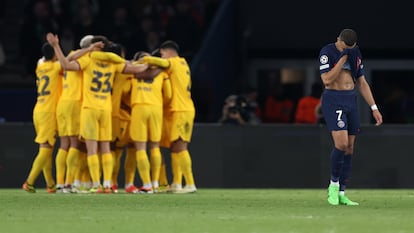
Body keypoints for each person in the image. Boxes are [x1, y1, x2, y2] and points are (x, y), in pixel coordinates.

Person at [46, 32, 148, 193]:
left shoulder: (89, 59)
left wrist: (55, 46)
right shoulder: (113, 62)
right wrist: (149, 62)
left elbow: (65, 65)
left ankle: (95, 184)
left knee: (92, 149)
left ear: (94, 47)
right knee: (106, 148)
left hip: (90, 108)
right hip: (106, 109)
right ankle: (107, 184)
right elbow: (138, 69)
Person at [318, 28, 383, 205]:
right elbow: (326, 80)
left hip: (350, 99)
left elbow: (361, 82)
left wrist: (374, 107)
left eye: (351, 48)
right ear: (338, 40)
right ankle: (332, 185)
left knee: (350, 148)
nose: (348, 50)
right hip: (333, 99)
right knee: (341, 143)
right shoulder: (327, 52)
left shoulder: (355, 52)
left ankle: (341, 192)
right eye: (345, 47)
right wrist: (342, 59)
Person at [141, 40, 196, 193]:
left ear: (168, 52)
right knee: (175, 148)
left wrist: (143, 59)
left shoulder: (175, 62)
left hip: (181, 110)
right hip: (181, 109)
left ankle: (190, 184)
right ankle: (177, 183)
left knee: (180, 146)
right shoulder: (183, 64)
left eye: (162, 54)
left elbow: (156, 61)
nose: (162, 57)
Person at [22, 42, 62, 193]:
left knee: (46, 148)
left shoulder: (40, 66)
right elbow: (68, 61)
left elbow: (43, 59)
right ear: (54, 55)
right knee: (46, 148)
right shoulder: (55, 67)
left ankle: (50, 184)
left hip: (38, 109)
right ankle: (30, 181)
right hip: (48, 112)